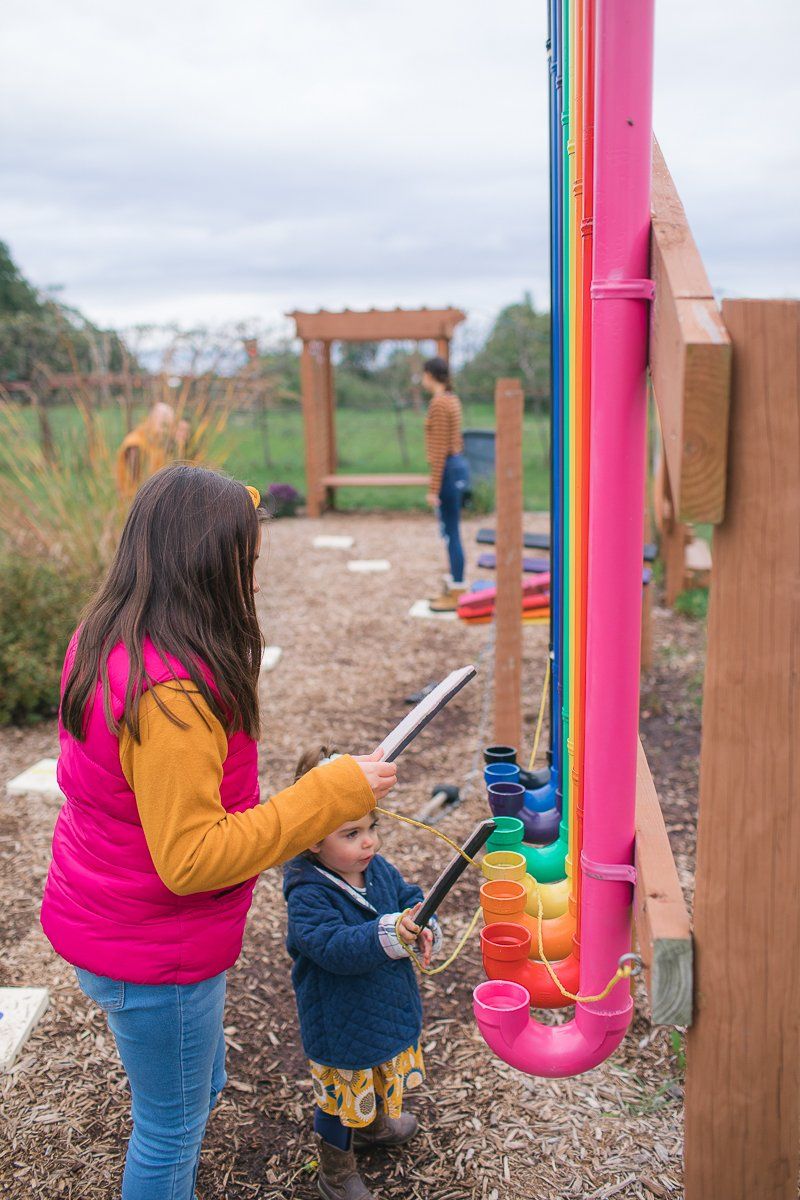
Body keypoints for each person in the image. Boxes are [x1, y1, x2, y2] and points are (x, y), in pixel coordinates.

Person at [40, 466, 397, 1200]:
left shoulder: (113, 634)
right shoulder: (170, 699)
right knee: (169, 1128)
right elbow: (192, 858)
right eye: (247, 565)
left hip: (110, 916)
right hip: (154, 948)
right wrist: (323, 797)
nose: (255, 583)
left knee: (191, 1092)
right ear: (205, 567)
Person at [284, 745, 443, 1200]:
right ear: (313, 837)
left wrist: (422, 919)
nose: (369, 842)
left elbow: (409, 894)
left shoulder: (375, 867)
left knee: (379, 1070)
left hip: (383, 1003)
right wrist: (392, 931)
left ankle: (374, 1127)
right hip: (339, 1018)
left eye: (372, 827)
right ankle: (336, 1170)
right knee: (341, 1096)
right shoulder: (308, 894)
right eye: (351, 833)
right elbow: (332, 947)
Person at [422, 356, 470, 612]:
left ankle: (458, 590)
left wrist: (433, 489)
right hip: (456, 467)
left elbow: (440, 448)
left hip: (448, 471)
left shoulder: (440, 403)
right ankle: (455, 585)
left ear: (430, 375)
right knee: (452, 531)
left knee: (451, 532)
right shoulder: (452, 399)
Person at [115, 402, 189, 499]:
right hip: (137, 502)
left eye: (171, 426)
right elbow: (138, 483)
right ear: (152, 421)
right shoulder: (135, 445)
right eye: (164, 425)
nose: (168, 431)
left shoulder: (158, 443)